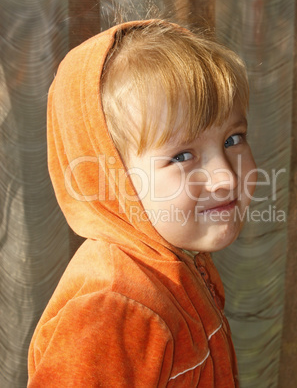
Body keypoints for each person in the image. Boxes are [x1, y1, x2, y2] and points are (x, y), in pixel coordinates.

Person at [28, 19, 257, 387]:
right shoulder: (110, 307)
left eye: (233, 139)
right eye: (182, 156)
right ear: (109, 179)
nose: (226, 177)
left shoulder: (179, 260)